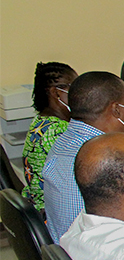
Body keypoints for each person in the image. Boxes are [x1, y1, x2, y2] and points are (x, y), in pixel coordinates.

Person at [22, 62, 76, 212]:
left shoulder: (41, 122)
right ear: (57, 93)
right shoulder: (59, 131)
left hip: (39, 205)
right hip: (54, 214)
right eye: (74, 87)